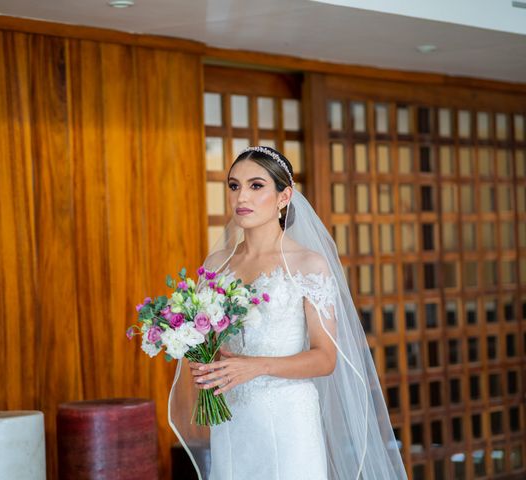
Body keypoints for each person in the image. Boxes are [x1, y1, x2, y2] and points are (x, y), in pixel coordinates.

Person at [168, 146, 407, 480]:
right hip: (232, 420)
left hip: (288, 421)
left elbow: (326, 359)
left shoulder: (308, 264)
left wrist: (256, 367)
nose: (241, 197)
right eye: (234, 186)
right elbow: (211, 344)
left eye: (256, 185)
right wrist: (205, 359)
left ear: (284, 196)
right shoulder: (216, 265)